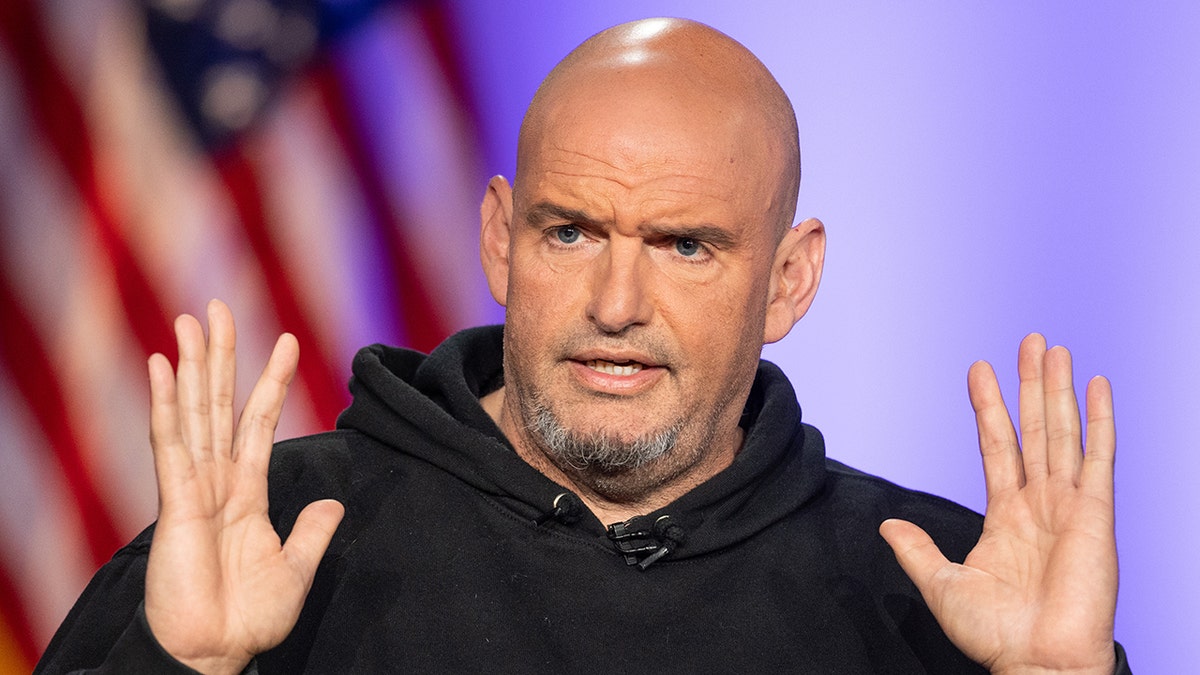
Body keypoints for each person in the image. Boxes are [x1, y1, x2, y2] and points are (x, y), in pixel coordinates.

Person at [37, 17, 1127, 674]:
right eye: (572, 232)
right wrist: (179, 666)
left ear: (788, 279)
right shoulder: (270, 540)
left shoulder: (935, 593)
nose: (615, 302)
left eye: (685, 246)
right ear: (501, 242)